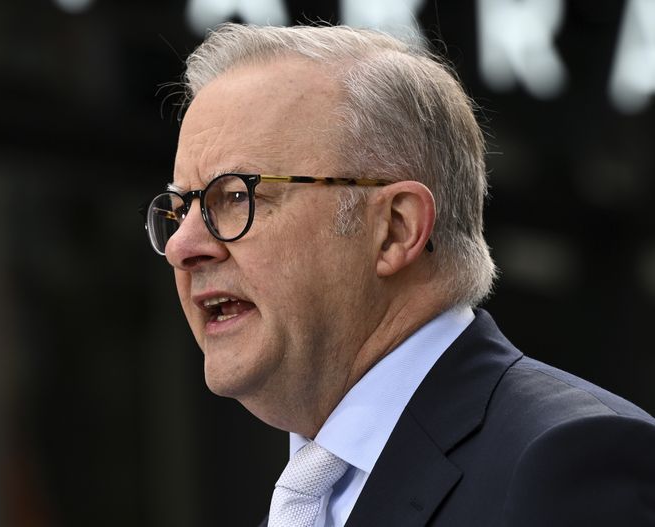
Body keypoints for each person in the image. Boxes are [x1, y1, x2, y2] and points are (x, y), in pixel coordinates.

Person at [140, 23, 655, 526]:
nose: (183, 246)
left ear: (395, 229)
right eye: (180, 207)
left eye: (234, 197)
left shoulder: (566, 464)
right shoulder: (307, 496)